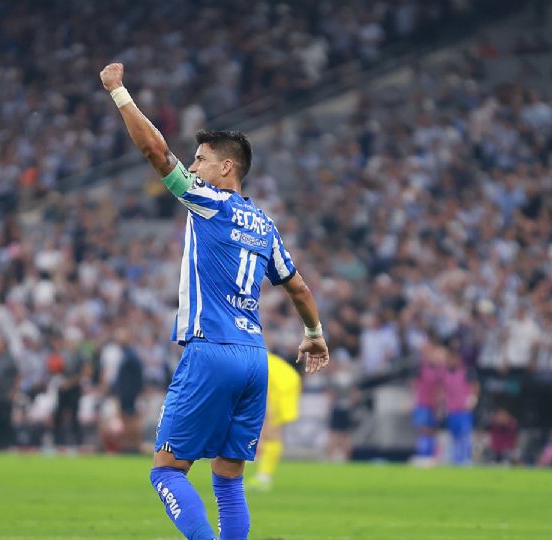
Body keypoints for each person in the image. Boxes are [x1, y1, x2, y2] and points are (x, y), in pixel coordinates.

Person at [101, 62, 330, 540]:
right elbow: (299, 288)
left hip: (212, 351)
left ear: (227, 167)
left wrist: (119, 92)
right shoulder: (264, 225)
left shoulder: (209, 200)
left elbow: (154, 151)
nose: (195, 165)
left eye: (201, 158)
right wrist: (314, 335)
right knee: (228, 482)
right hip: (255, 360)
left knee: (165, 471)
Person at [247, 352, 302, 492]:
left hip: (280, 386)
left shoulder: (245, 362)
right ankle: (263, 476)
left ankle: (264, 478)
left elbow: (259, 383)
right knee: (268, 431)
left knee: (271, 430)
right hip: (281, 382)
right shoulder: (248, 356)